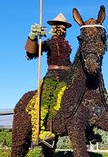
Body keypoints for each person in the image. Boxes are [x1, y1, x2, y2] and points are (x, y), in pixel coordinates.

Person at [24, 13, 74, 146]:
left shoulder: (67, 45)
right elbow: (32, 52)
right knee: (44, 102)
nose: (62, 29)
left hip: (68, 77)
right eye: (60, 26)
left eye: (64, 27)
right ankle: (39, 132)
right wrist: (32, 37)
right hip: (53, 77)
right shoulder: (50, 43)